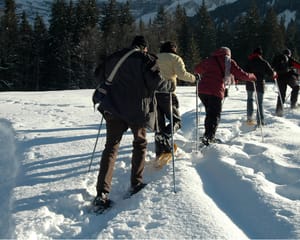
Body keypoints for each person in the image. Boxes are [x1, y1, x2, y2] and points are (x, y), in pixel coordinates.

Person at [93, 36, 172, 211]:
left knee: (111, 147)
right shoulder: (146, 59)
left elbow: (98, 76)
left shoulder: (115, 57)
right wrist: (170, 86)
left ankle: (102, 193)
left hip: (113, 109)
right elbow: (156, 83)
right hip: (137, 111)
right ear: (145, 47)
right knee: (140, 144)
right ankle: (136, 183)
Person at [194, 47, 257, 146]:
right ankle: (209, 138)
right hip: (215, 90)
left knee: (210, 113)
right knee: (214, 115)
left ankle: (208, 135)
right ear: (228, 54)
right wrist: (251, 76)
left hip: (202, 90)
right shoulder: (229, 62)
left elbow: (197, 69)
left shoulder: (210, 60)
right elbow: (241, 74)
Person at [154, 41, 199, 166]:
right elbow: (182, 74)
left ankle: (160, 150)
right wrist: (195, 78)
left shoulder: (155, 57)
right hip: (167, 94)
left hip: (152, 95)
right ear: (173, 49)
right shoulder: (175, 58)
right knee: (176, 121)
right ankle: (167, 136)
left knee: (159, 123)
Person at [245, 47, 276, 126]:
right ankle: (260, 121)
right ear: (260, 54)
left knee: (249, 99)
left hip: (250, 82)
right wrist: (274, 73)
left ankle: (249, 118)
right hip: (260, 83)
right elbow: (271, 74)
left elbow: (244, 72)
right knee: (260, 103)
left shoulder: (249, 61)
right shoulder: (264, 62)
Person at [272, 48, 300, 116]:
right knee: (296, 87)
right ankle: (293, 104)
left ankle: (278, 112)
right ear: (289, 54)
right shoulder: (289, 59)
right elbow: (298, 65)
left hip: (280, 78)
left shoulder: (277, 59)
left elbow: (272, 67)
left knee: (281, 95)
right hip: (289, 77)